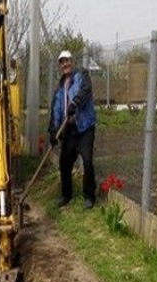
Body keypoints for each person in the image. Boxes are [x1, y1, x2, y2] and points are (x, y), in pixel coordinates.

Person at [48, 50, 97, 210]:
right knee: (64, 162)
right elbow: (56, 109)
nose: (65, 64)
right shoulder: (60, 86)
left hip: (85, 128)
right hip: (70, 130)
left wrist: (74, 104)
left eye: (67, 60)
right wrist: (53, 131)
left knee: (87, 161)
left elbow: (85, 91)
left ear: (72, 61)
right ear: (60, 66)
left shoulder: (82, 75)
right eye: (62, 62)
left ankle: (89, 196)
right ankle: (66, 195)